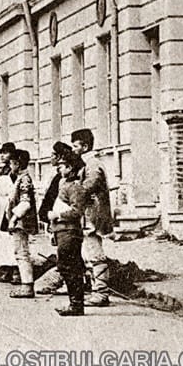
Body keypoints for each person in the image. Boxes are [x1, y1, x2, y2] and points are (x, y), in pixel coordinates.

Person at [72, 128, 113, 307]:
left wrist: (73, 191)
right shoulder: (87, 163)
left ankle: (101, 293)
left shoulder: (92, 164)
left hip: (93, 213)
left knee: (94, 252)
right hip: (88, 212)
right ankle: (97, 289)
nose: (73, 149)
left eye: (76, 146)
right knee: (88, 252)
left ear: (85, 146)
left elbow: (91, 184)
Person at [48, 152, 88, 316]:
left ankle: (76, 305)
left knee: (71, 268)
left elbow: (77, 211)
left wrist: (58, 216)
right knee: (66, 267)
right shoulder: (64, 184)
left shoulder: (76, 187)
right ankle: (74, 303)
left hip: (70, 232)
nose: (59, 168)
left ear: (70, 168)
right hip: (62, 230)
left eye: (62, 166)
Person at [34, 141, 73, 295]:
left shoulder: (62, 178)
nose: (50, 158)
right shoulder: (58, 175)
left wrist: (51, 217)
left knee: (66, 251)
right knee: (62, 251)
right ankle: (64, 280)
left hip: (59, 218)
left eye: (52, 155)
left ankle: (67, 282)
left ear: (60, 157)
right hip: (54, 217)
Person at [6, 149, 38, 298]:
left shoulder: (24, 179)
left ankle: (27, 286)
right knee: (21, 252)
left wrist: (13, 218)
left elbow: (25, 203)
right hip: (20, 221)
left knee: (22, 253)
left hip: (21, 222)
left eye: (11, 163)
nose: (10, 166)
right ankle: (26, 284)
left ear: (17, 164)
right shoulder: (21, 178)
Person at [0, 143, 18, 282]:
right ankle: (5, 267)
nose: (2, 155)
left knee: (10, 238)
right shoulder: (3, 171)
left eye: (5, 153)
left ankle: (14, 270)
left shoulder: (14, 172)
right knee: (0, 237)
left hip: (8, 205)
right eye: (1, 153)